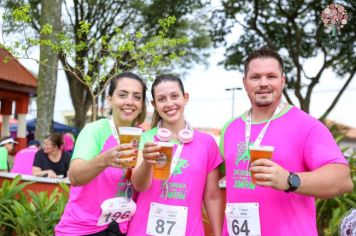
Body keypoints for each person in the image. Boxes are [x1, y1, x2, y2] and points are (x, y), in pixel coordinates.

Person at [220, 47, 353, 236]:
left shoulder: (306, 126)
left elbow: (343, 180)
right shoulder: (230, 128)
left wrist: (290, 180)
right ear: (245, 82)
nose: (263, 83)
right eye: (255, 77)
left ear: (282, 80)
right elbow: (215, 181)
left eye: (271, 76)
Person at [128, 74, 223, 236]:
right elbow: (139, 185)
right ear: (154, 104)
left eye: (174, 96)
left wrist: (217, 233)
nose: (169, 103)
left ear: (185, 98)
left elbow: (212, 197)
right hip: (143, 230)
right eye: (162, 99)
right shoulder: (144, 139)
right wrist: (147, 162)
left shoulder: (206, 143)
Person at [55, 71, 147, 236]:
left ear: (142, 104)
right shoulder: (95, 130)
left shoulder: (143, 136)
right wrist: (104, 160)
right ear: (110, 99)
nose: (130, 102)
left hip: (119, 228)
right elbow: (75, 177)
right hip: (82, 229)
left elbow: (140, 185)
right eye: (123, 95)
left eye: (137, 97)